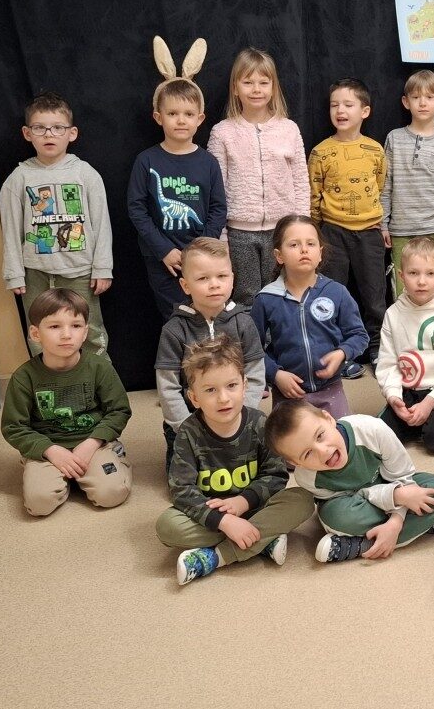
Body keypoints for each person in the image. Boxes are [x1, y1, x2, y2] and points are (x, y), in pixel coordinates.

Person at [155, 337, 314, 585]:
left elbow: (276, 475)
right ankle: (263, 539)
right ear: (194, 398)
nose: (223, 398)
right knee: (167, 526)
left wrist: (243, 501)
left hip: (257, 506)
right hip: (214, 516)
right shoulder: (188, 432)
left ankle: (217, 556)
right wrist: (224, 521)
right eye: (210, 390)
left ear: (244, 386)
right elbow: (181, 490)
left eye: (231, 385)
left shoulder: (260, 423)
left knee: (303, 500)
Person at [263, 398, 434, 563]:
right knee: (336, 518)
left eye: (320, 435)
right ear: (295, 463)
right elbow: (348, 500)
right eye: (307, 454)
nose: (323, 451)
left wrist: (396, 521)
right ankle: (431, 524)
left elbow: (403, 476)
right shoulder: (306, 477)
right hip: (361, 502)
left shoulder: (373, 429)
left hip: (395, 483)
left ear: (329, 418)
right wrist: (395, 497)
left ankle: (359, 545)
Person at [0, 92, 113, 355]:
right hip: (36, 274)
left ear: (72, 133)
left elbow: (102, 225)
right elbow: (10, 230)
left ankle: (99, 380)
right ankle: (47, 379)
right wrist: (14, 273)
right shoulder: (19, 178)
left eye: (57, 128)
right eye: (40, 128)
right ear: (27, 133)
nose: (49, 134)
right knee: (40, 333)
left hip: (81, 272)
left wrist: (103, 267)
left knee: (90, 330)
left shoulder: (86, 174)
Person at [0, 289, 131, 516]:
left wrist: (92, 443)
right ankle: (58, 475)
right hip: (48, 448)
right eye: (54, 326)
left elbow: (119, 410)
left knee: (112, 494)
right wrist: (50, 451)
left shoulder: (99, 367)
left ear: (85, 332)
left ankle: (110, 460)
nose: (66, 335)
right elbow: (14, 427)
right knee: (39, 504)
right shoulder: (24, 377)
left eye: (76, 326)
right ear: (35, 333)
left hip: (92, 442)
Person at [155, 237, 266, 473]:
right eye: (203, 278)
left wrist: (241, 415)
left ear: (232, 279)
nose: (214, 284)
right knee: (188, 481)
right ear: (185, 285)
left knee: (250, 472)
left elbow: (255, 375)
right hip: (189, 420)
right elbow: (167, 386)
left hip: (235, 415)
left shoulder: (244, 323)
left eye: (221, 276)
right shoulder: (174, 330)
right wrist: (184, 426)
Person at [206, 47, 308, 305]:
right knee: (246, 296)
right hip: (239, 232)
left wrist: (301, 227)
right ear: (235, 88)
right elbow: (216, 188)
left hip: (282, 230)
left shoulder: (289, 129)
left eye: (263, 82)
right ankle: (249, 334)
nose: (256, 89)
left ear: (273, 88)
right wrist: (221, 236)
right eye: (248, 82)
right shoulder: (222, 133)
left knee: (283, 293)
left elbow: (300, 181)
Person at [127, 71, 227, 320]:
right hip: (162, 259)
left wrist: (200, 250)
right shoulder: (146, 161)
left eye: (188, 114)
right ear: (158, 117)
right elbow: (137, 209)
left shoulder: (209, 162)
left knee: (207, 314)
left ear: (199, 119)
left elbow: (218, 209)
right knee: (176, 317)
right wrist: (164, 250)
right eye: (172, 114)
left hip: (202, 256)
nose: (181, 120)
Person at [250, 215, 368, 421]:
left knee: (339, 435)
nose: (304, 250)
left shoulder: (337, 292)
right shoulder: (266, 298)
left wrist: (342, 353)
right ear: (279, 255)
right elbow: (251, 349)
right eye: (294, 244)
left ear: (320, 253)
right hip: (288, 391)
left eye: (311, 244)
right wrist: (275, 374)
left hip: (330, 387)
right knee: (291, 440)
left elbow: (359, 335)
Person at [308, 78, 387, 371]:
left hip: (369, 232)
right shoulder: (320, 152)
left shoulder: (375, 150)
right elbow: (313, 194)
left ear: (364, 111)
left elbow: (380, 186)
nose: (340, 111)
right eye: (334, 105)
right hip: (332, 232)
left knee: (374, 297)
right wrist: (316, 232)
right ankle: (338, 353)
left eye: (348, 105)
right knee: (332, 295)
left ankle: (377, 349)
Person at [376, 237, 434, 454]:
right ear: (401, 276)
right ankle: (414, 420)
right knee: (380, 438)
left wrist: (429, 403)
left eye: (430, 274)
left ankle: (432, 416)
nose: (421, 281)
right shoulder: (393, 314)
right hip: (408, 389)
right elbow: (387, 363)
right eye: (413, 273)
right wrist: (393, 397)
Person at [380, 68, 434, 299]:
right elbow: (386, 184)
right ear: (406, 102)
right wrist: (383, 224)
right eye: (416, 97)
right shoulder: (394, 138)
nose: (423, 103)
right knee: (403, 292)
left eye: (429, 97)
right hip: (401, 231)